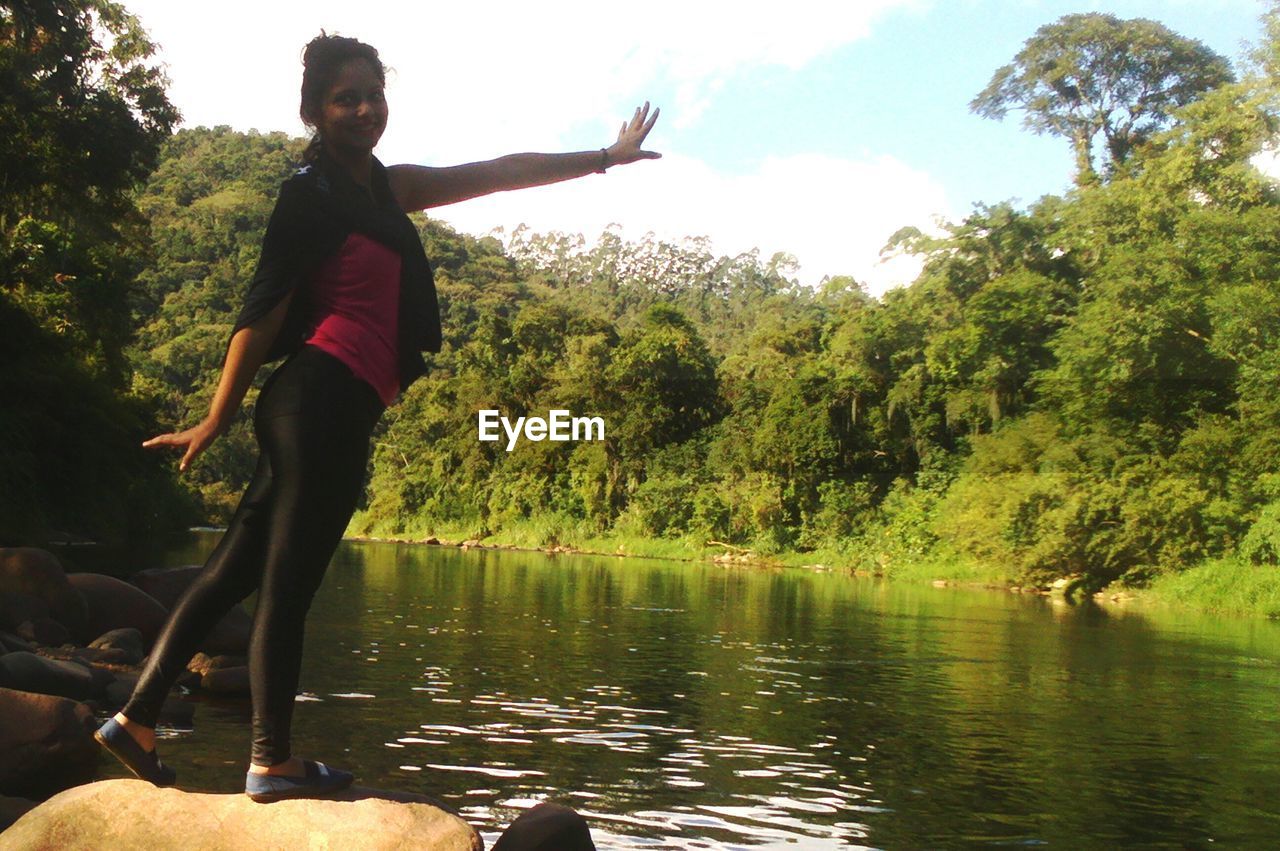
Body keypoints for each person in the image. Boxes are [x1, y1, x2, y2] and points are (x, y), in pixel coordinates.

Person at [94, 32, 660, 803]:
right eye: (344, 97)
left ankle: (136, 718)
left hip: (321, 405)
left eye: (373, 94)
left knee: (231, 572)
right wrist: (214, 418)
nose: (364, 109)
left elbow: (491, 175)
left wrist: (603, 156)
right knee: (286, 588)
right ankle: (270, 759)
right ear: (315, 112)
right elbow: (260, 314)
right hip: (320, 402)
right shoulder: (309, 194)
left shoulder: (381, 191)